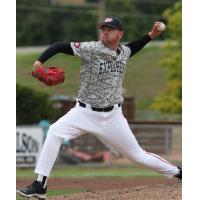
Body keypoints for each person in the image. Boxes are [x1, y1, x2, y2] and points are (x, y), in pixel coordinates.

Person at [17, 16, 182, 199]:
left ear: (120, 34)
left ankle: (179, 172)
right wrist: (39, 62)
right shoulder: (92, 49)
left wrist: (152, 34)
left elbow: (135, 46)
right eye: (103, 28)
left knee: (137, 156)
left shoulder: (124, 52)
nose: (105, 31)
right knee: (54, 132)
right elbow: (58, 46)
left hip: (113, 117)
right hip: (83, 112)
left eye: (110, 29)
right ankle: (40, 184)